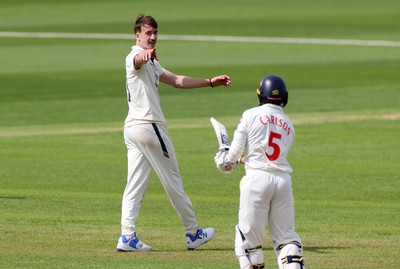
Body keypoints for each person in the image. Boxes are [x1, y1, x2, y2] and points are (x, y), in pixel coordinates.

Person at [116, 14, 231, 252]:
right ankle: (193, 233)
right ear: (137, 35)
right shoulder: (134, 57)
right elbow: (137, 60)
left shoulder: (153, 62)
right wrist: (144, 55)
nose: (153, 37)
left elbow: (177, 80)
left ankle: (127, 236)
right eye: (148, 33)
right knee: (173, 183)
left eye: (155, 33)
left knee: (134, 184)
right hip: (150, 127)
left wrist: (210, 82)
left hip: (133, 129)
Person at [214, 75, 305, 268]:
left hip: (256, 180)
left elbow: (236, 151)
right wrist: (241, 159)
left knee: (247, 243)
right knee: (286, 241)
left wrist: (225, 161)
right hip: (282, 181)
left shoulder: (250, 115)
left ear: (260, 96)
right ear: (284, 97)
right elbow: (269, 155)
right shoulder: (289, 124)